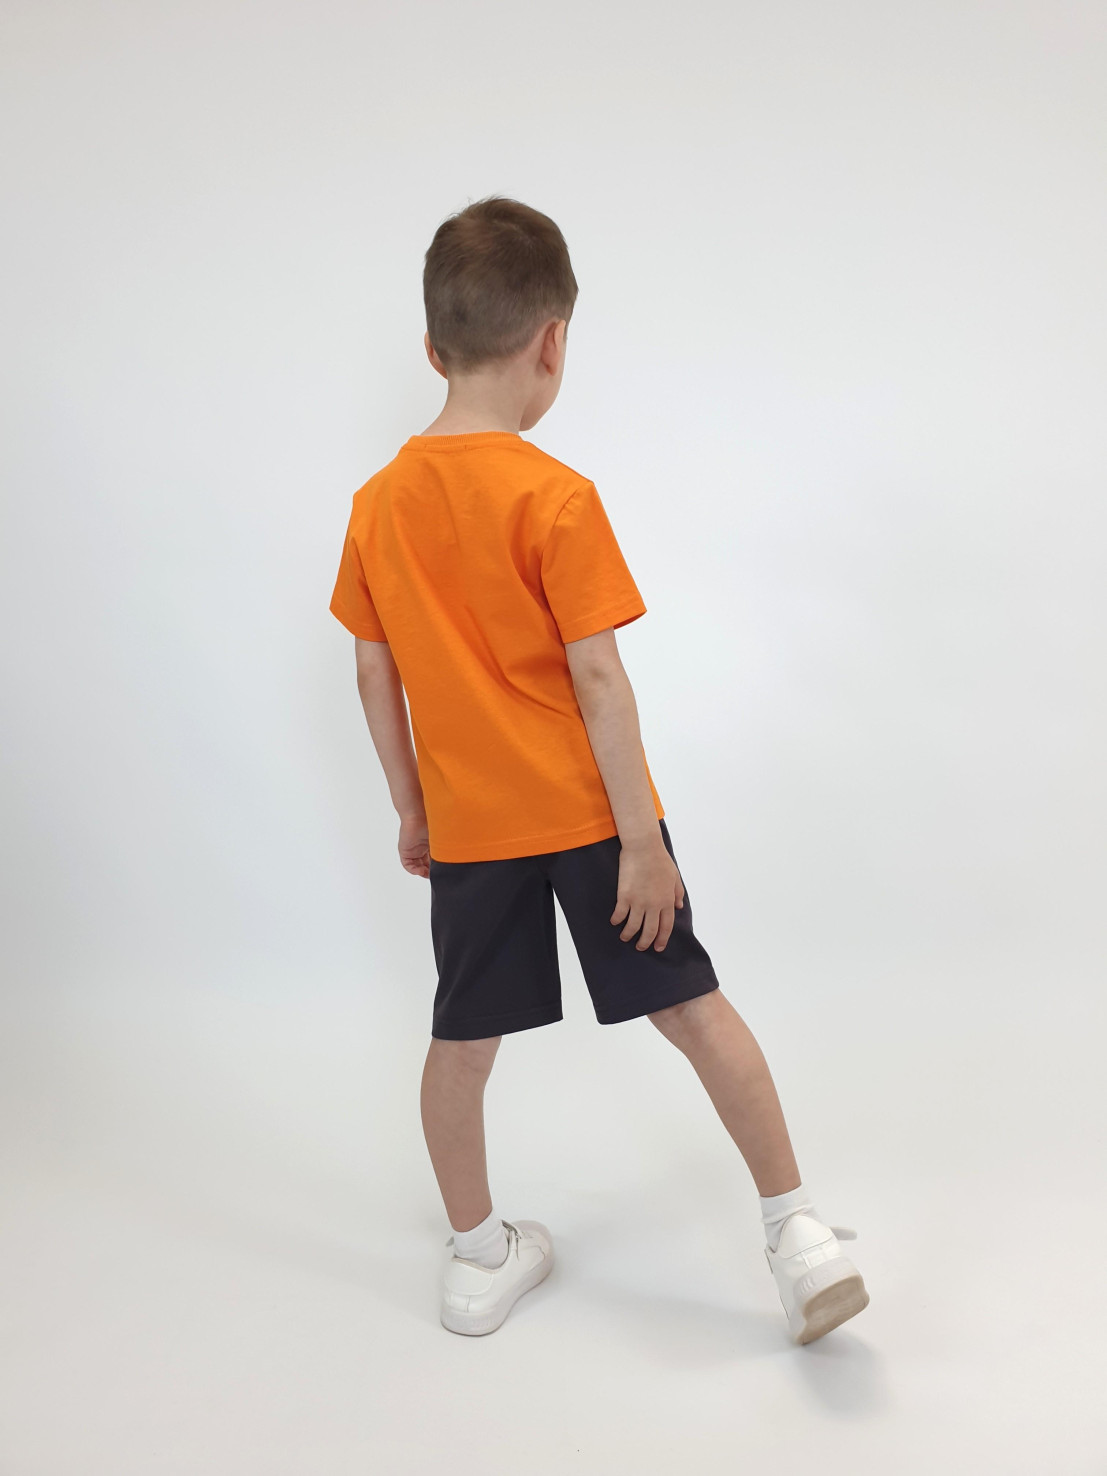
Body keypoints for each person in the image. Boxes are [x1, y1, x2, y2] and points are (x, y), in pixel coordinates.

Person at [329, 195, 869, 1345]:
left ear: (431, 347)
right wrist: (638, 843)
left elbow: (375, 675)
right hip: (591, 821)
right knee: (695, 1011)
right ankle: (798, 1234)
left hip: (471, 830)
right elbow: (599, 678)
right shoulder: (555, 497)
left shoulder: (376, 508)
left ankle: (477, 1257)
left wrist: (413, 809)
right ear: (552, 342)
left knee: (460, 1045)